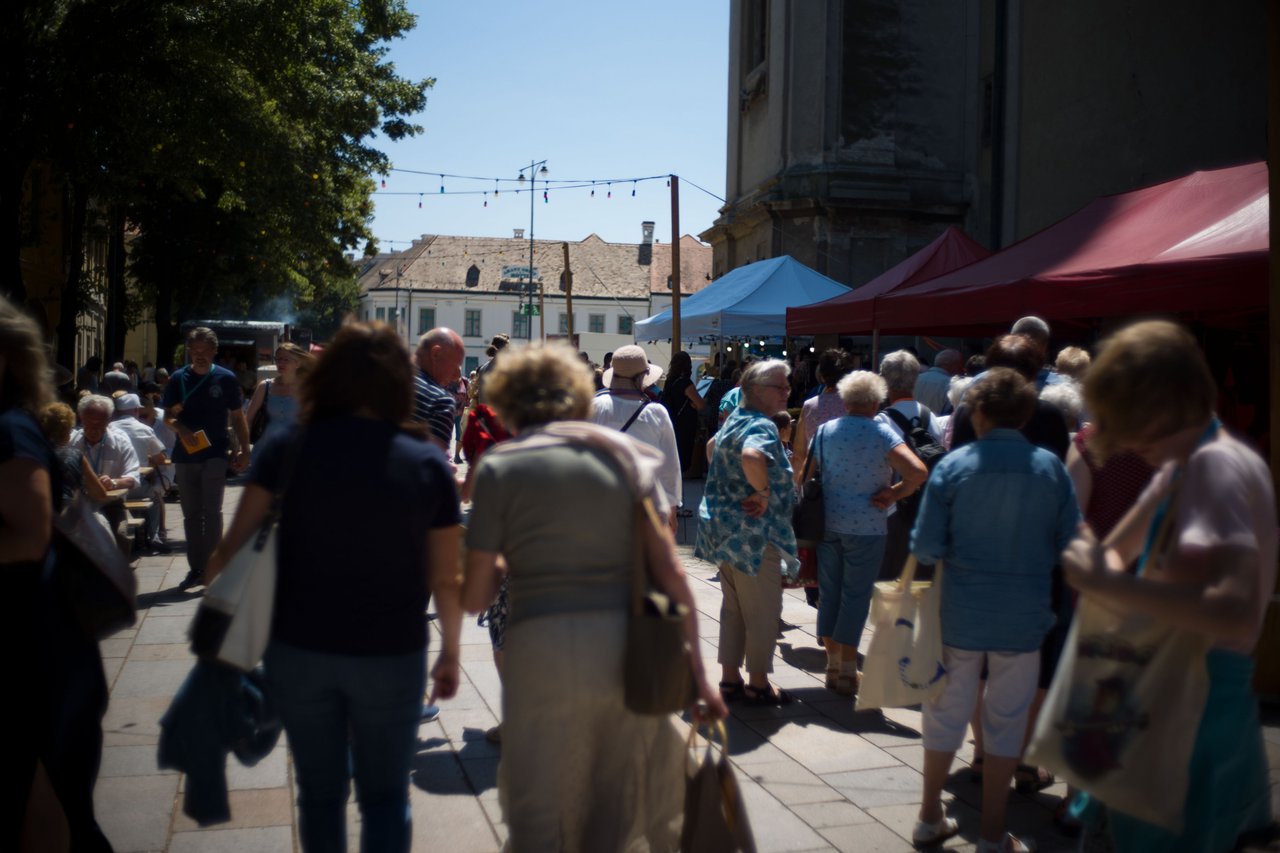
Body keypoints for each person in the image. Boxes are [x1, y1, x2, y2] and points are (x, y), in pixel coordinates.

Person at [205, 321, 463, 852]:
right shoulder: (426, 463)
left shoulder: (288, 449)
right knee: (387, 796)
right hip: (391, 650)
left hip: (299, 649)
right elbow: (444, 575)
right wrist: (452, 652)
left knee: (321, 794)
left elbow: (227, 554)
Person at [461, 341, 725, 850]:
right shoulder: (631, 459)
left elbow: (477, 594)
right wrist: (697, 676)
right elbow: (671, 576)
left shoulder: (503, 469)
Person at [1061, 320, 1274, 853]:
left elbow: (1232, 609)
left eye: (1125, 419)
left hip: (1192, 714)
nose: (1122, 440)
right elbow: (1117, 553)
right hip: (1157, 702)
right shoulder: (1178, 469)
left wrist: (1105, 581)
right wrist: (1092, 554)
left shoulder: (1216, 468)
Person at [911, 368, 1080, 853]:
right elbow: (1070, 544)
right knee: (1007, 720)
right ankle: (990, 833)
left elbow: (925, 546)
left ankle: (928, 815)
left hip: (960, 612)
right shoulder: (1050, 468)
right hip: (1025, 616)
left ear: (976, 412)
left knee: (945, 713)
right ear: (1027, 414)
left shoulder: (954, 465)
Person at [2, 297, 112, 851]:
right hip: (39, 640)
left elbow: (28, 531)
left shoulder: (11, 430)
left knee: (49, 805)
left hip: (35, 645)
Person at [812, 370, 927, 695]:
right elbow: (917, 471)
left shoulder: (825, 430)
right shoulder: (881, 431)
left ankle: (833, 667)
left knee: (830, 593)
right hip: (867, 525)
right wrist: (894, 492)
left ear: (845, 400)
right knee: (855, 596)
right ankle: (848, 671)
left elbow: (811, 471)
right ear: (877, 400)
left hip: (827, 522)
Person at [696, 358, 798, 705]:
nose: (787, 392)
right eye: (780, 387)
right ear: (756, 390)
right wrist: (763, 492)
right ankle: (757, 683)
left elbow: (712, 447)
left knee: (734, 608)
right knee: (763, 611)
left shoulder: (736, 418)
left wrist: (731, 485)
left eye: (787, 386)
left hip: (723, 529)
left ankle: (729, 680)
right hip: (753, 535)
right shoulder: (762, 425)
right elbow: (753, 457)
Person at [162, 326, 251, 589]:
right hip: (186, 455)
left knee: (212, 511)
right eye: (195, 350)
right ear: (189, 351)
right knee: (191, 514)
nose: (199, 355)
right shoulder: (178, 379)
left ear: (214, 351)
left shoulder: (226, 379)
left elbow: (238, 416)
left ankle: (214, 567)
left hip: (215, 452)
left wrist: (245, 450)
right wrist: (181, 429)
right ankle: (196, 568)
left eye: (204, 350)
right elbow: (167, 417)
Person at [591, 344, 681, 529]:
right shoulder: (656, 413)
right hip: (644, 505)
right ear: (642, 377)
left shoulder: (594, 406)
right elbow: (670, 466)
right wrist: (671, 507)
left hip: (599, 501)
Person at [72, 394, 142, 556]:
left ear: (108, 421)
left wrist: (114, 483)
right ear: (81, 419)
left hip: (111, 503)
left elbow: (133, 477)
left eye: (100, 424)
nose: (95, 429)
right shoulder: (71, 442)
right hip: (78, 504)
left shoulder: (120, 442)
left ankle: (118, 577)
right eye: (90, 424)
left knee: (122, 535)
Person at [111, 393, 170, 551]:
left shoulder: (109, 428)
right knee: (156, 498)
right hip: (136, 484)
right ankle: (155, 536)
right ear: (137, 410)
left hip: (113, 486)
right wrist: (148, 457)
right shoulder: (144, 429)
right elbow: (161, 458)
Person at [791, 348, 853, 486]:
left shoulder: (809, 407)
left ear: (822, 376)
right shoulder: (856, 406)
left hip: (816, 488)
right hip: (851, 482)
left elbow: (799, 454)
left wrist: (799, 488)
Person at [245, 342, 312, 445]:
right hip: (266, 449)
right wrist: (243, 448)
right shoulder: (265, 386)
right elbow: (248, 419)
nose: (281, 363)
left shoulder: (306, 388)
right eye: (278, 359)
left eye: (286, 360)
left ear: (297, 364)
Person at [412, 328, 466, 453]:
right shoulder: (439, 401)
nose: (457, 375)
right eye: (456, 365)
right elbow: (434, 464)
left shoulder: (384, 380)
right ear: (436, 354)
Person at [659, 350, 706, 474]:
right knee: (682, 459)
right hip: (684, 426)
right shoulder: (686, 383)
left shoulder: (669, 381)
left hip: (670, 423)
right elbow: (701, 404)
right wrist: (693, 405)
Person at [914, 349, 964, 414]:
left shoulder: (915, 379)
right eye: (960, 365)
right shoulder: (952, 385)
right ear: (950, 365)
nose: (962, 369)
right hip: (937, 423)